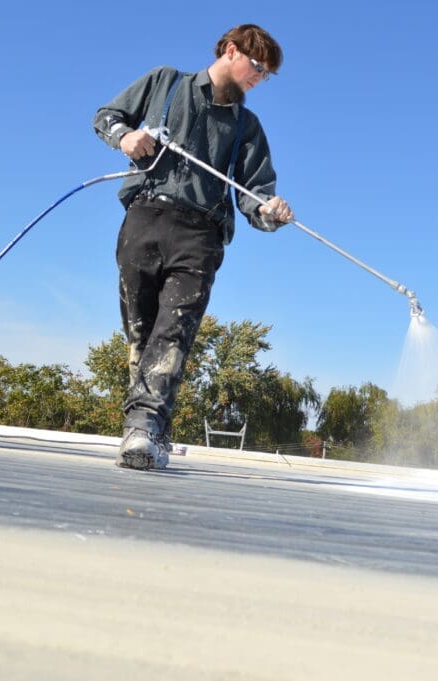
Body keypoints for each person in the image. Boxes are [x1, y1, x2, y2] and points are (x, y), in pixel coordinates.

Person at [93, 24, 294, 470]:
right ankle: (152, 432)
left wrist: (269, 211)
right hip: (144, 217)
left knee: (175, 330)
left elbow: (253, 195)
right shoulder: (165, 82)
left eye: (267, 74)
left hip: (200, 235)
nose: (259, 78)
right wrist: (125, 136)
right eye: (257, 66)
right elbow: (107, 116)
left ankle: (142, 426)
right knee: (141, 335)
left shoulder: (247, 127)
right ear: (230, 50)